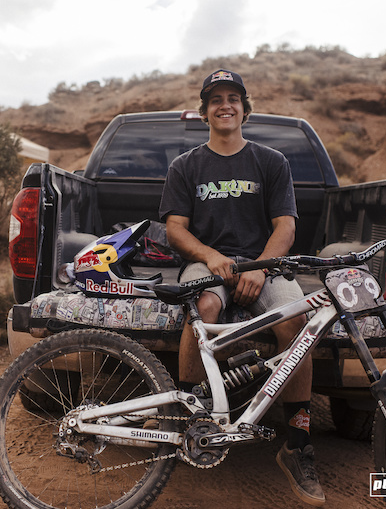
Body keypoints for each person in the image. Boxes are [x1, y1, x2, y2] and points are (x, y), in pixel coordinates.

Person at [158, 69, 325, 506]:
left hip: (264, 267)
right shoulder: (186, 166)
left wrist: (263, 268)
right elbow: (175, 229)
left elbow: (285, 226)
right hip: (206, 264)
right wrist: (211, 257)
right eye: (216, 100)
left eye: (233, 98)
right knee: (204, 314)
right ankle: (191, 423)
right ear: (205, 112)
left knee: (297, 322)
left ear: (245, 110)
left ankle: (298, 445)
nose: (225, 105)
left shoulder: (271, 162)